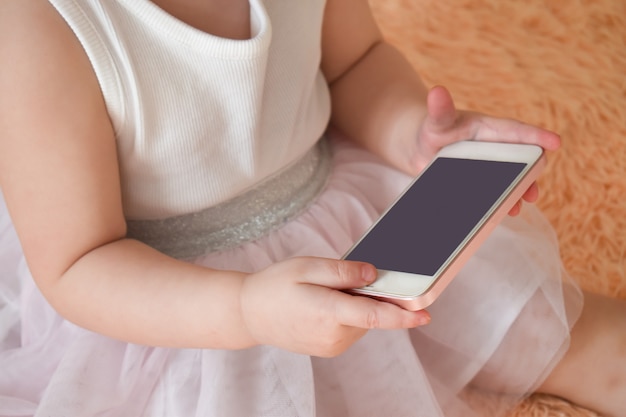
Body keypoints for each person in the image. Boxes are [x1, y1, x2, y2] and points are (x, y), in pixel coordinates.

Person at [0, 0, 624, 416]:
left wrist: (413, 133)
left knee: (552, 333)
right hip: (168, 304)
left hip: (346, 214)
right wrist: (245, 309)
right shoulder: (37, 27)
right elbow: (80, 261)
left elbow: (355, 64)